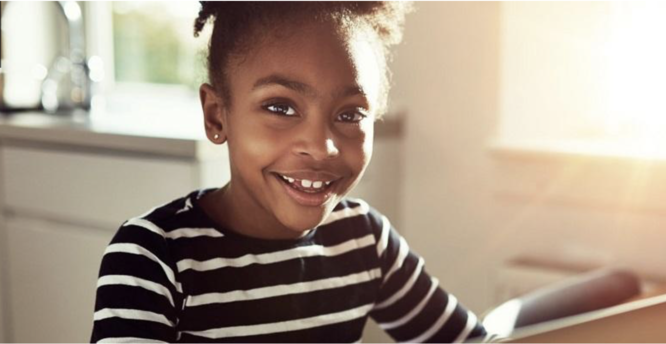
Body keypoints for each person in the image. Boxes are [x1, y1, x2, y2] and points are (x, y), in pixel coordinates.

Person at [89, 2, 489, 342]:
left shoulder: (366, 242)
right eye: (280, 107)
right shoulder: (154, 257)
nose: (321, 146)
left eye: (349, 114)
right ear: (217, 115)